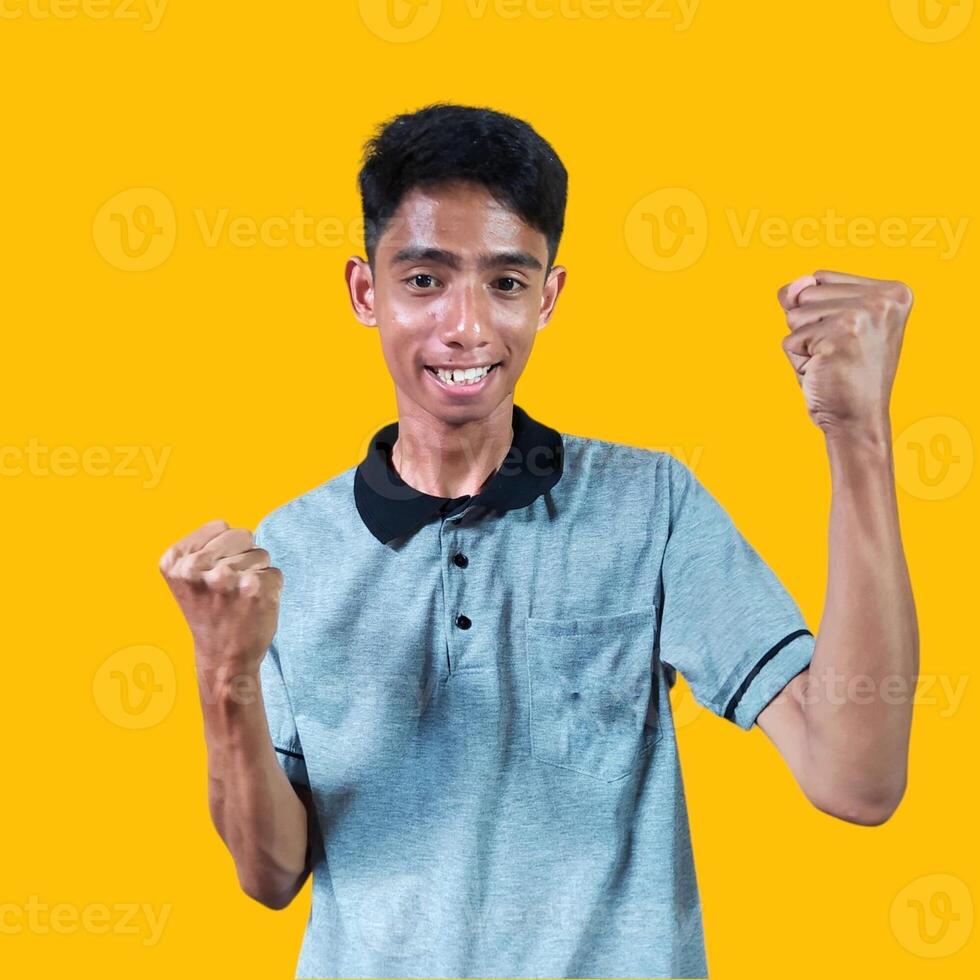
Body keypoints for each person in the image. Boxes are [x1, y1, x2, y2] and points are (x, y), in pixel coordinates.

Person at [159, 103, 918, 979]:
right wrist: (225, 674)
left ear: (549, 296)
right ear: (366, 292)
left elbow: (856, 780)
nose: (468, 327)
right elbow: (271, 871)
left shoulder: (652, 504)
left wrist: (856, 434)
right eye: (424, 281)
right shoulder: (293, 545)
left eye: (507, 284)